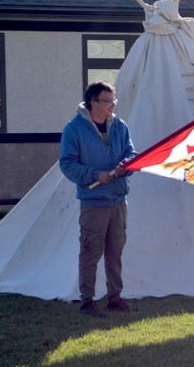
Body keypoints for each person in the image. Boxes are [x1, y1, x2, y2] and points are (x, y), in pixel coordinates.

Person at [59, 82, 138, 317]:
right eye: (108, 101)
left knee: (115, 252)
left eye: (114, 100)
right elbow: (67, 164)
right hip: (94, 203)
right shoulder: (74, 129)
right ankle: (88, 301)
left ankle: (115, 298)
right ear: (93, 102)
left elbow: (131, 153)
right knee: (90, 251)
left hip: (118, 200)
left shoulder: (120, 126)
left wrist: (126, 165)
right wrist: (95, 175)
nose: (112, 104)